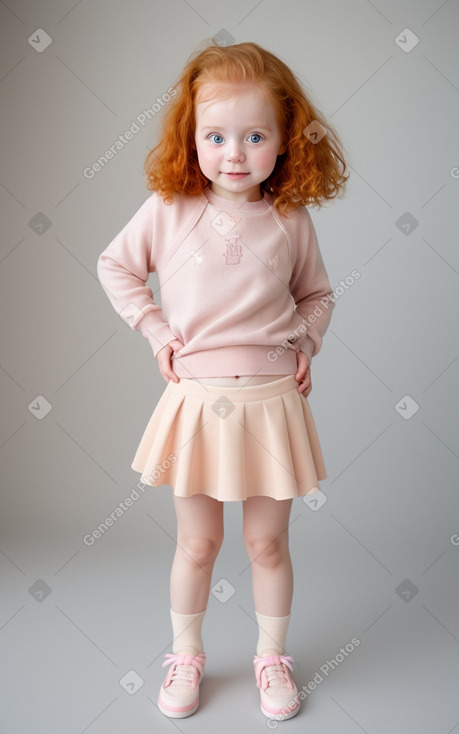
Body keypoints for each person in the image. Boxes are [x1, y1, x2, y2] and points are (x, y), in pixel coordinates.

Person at [97, 40, 348, 721]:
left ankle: (271, 659)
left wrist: (307, 340)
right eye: (215, 135)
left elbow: (318, 296)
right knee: (198, 542)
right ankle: (187, 654)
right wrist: (156, 331)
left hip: (270, 404)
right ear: (192, 137)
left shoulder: (289, 220)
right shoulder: (169, 209)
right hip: (199, 404)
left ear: (285, 141)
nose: (233, 153)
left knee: (267, 543)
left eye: (254, 135)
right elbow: (115, 266)